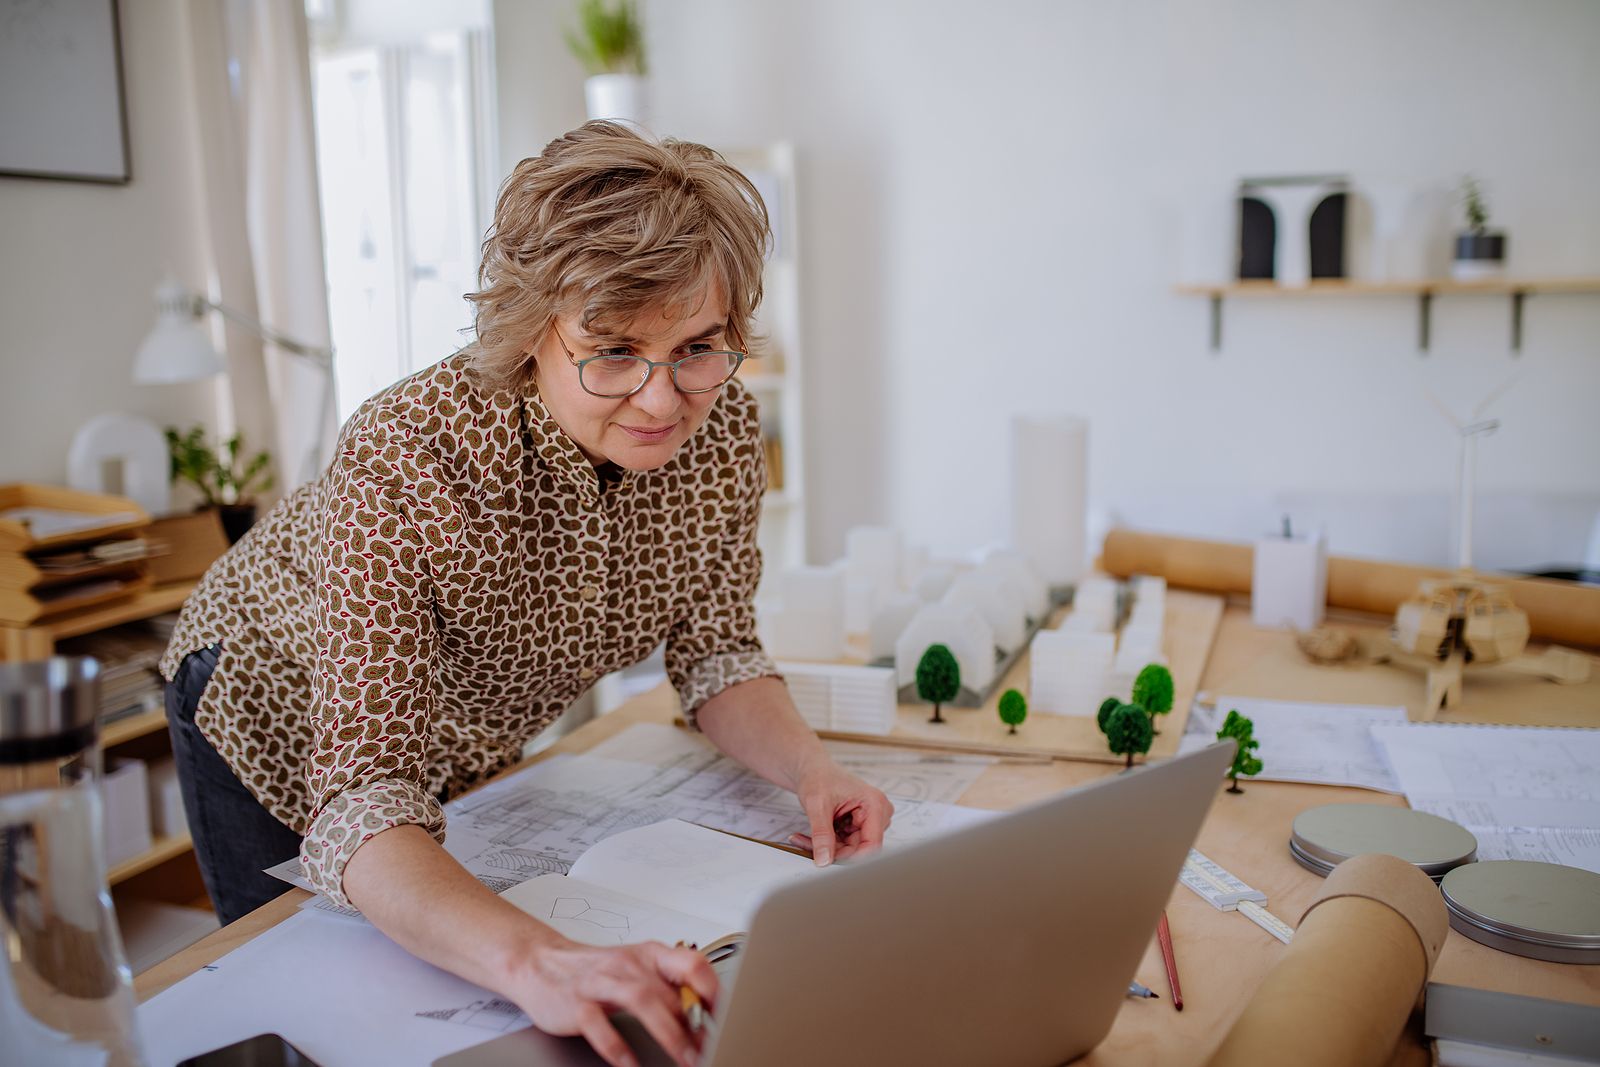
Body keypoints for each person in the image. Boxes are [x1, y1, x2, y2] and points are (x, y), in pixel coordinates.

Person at [159, 121, 894, 1067]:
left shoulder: (728, 427)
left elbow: (716, 652)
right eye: (615, 351)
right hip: (270, 702)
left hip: (463, 731)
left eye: (700, 348)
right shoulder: (409, 455)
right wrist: (544, 961)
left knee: (476, 1001)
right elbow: (367, 796)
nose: (664, 400)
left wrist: (813, 771)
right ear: (528, 329)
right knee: (315, 1015)